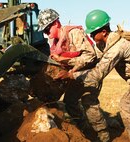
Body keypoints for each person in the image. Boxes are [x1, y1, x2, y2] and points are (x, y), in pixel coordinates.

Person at [55, 9, 130, 142]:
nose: (92, 37)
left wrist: (72, 76)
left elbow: (98, 73)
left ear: (104, 32)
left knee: (127, 105)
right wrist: (67, 63)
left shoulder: (118, 47)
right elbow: (92, 60)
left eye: (93, 33)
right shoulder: (104, 45)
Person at [37, 9, 110, 141]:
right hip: (75, 75)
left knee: (89, 103)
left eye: (47, 29)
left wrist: (63, 60)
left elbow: (90, 56)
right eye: (44, 31)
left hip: (90, 73)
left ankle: (103, 136)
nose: (46, 34)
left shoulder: (73, 33)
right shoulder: (55, 43)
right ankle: (85, 131)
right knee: (69, 102)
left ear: (56, 23)